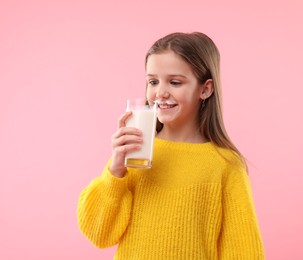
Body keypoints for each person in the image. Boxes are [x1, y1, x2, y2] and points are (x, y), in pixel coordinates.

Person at [78, 32, 265, 259]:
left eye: (175, 82)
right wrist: (115, 171)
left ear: (205, 89)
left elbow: (243, 252)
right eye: (153, 82)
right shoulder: (135, 151)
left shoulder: (225, 165)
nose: (160, 93)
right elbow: (99, 235)